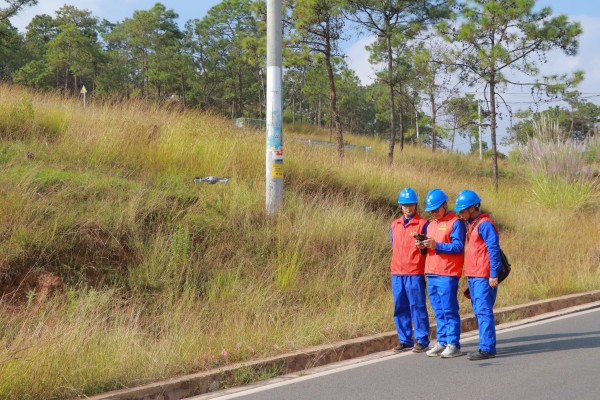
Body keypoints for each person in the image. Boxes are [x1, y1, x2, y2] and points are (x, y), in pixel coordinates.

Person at [455, 190, 501, 360]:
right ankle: (485, 345)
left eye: (463, 210)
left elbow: (493, 250)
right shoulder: (471, 224)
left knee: (483, 311)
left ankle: (487, 348)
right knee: (478, 311)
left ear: (473, 208)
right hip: (474, 276)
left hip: (484, 275)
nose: (461, 214)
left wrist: (493, 274)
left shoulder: (485, 224)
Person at [420, 189, 466, 358]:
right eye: (431, 211)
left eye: (436, 210)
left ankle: (454, 344)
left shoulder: (456, 222)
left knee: (449, 309)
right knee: (438, 310)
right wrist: (424, 246)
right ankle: (442, 341)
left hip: (447, 273)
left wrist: (437, 245)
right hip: (431, 272)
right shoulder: (431, 224)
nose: (433, 213)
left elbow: (458, 247)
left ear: (445, 205)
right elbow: (432, 246)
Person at [389, 188, 431, 353]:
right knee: (400, 306)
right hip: (397, 272)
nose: (408, 208)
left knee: (417, 305)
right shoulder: (395, 225)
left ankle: (422, 339)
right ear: (400, 206)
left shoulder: (423, 224)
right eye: (405, 205)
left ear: (415, 205)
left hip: (414, 271)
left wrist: (422, 247)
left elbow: (427, 249)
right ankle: (405, 339)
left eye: (411, 204)